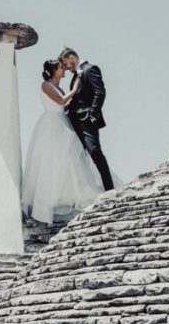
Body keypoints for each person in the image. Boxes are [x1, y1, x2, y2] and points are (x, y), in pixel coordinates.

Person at [21, 59, 105, 224]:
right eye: (60, 67)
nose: (64, 69)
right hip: (50, 126)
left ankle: (67, 199)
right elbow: (60, 101)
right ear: (54, 70)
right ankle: (45, 205)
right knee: (51, 161)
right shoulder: (46, 85)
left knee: (68, 161)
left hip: (62, 124)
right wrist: (74, 90)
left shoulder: (59, 87)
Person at [59, 47, 115, 191]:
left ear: (71, 57)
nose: (65, 68)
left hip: (87, 121)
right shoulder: (75, 76)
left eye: (65, 64)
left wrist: (93, 115)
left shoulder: (90, 69)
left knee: (95, 151)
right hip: (74, 122)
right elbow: (77, 99)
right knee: (77, 156)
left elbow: (100, 92)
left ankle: (109, 189)